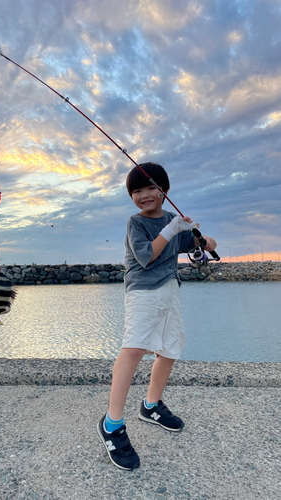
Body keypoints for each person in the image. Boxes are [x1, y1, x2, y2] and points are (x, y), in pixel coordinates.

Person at [97, 162, 217, 470]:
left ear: (164, 191)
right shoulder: (136, 223)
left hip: (169, 291)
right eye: (136, 191)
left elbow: (204, 245)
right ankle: (112, 424)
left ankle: (150, 406)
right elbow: (148, 256)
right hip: (142, 290)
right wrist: (172, 229)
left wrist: (202, 239)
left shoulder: (172, 221)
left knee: (170, 348)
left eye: (151, 187)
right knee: (135, 348)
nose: (144, 195)